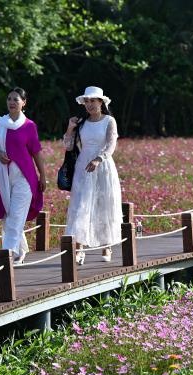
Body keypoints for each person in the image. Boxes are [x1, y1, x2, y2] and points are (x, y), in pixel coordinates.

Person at [63, 86, 121, 264]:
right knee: (81, 204)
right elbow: (68, 146)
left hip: (103, 167)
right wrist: (70, 128)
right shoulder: (81, 122)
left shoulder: (109, 121)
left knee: (104, 204)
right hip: (83, 166)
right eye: (86, 101)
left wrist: (99, 159)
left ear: (101, 102)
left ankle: (107, 245)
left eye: (92, 101)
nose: (89, 104)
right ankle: (79, 248)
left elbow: (111, 145)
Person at [0, 87, 45, 265]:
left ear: (23, 103)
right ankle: (21, 249)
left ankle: (8, 254)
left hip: (25, 178)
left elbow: (36, 153)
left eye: (16, 99)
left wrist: (43, 176)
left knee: (16, 215)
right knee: (8, 215)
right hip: (2, 176)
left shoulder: (29, 126)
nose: (12, 102)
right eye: (9, 99)